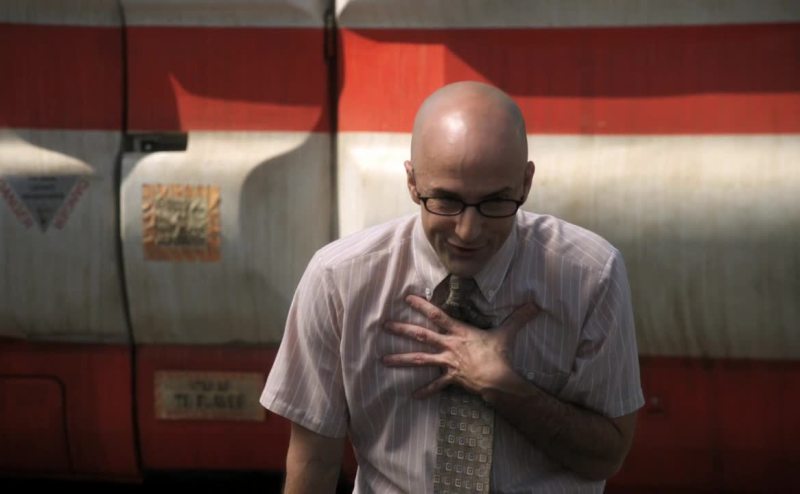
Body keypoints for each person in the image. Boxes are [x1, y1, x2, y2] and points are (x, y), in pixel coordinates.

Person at [261, 81, 644, 493]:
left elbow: (608, 456)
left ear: (526, 183)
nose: (468, 231)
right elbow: (314, 462)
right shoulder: (339, 281)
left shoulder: (590, 276)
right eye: (446, 201)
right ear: (412, 183)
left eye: (495, 203)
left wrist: (507, 390)